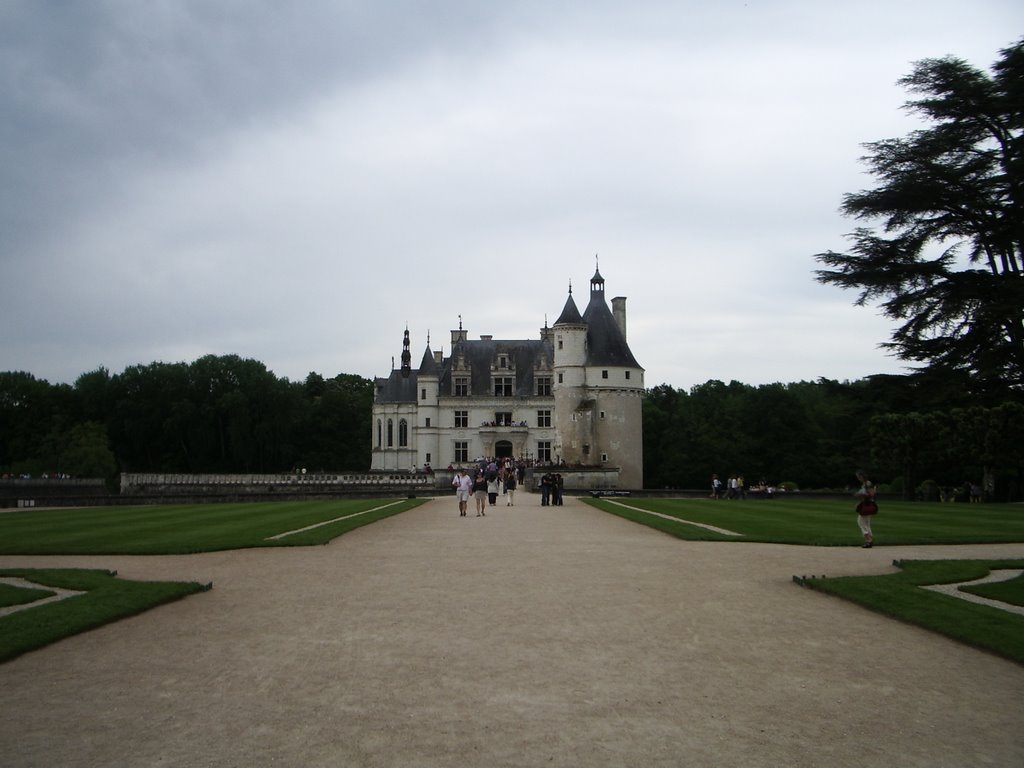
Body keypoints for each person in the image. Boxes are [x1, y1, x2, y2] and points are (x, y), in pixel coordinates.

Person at [854, 469, 877, 548]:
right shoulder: (865, 484)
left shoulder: (867, 483)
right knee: (866, 523)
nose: (858, 478)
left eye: (858, 477)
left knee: (861, 522)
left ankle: (869, 540)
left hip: (867, 504)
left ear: (861, 476)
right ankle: (869, 540)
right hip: (866, 503)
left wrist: (861, 494)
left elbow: (872, 493)